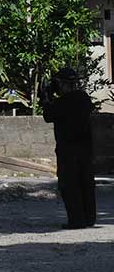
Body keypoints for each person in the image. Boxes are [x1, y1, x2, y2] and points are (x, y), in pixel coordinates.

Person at [42, 67, 96, 228]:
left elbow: (48, 116)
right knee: (86, 182)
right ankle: (89, 218)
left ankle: (77, 220)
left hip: (68, 148)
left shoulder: (64, 102)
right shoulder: (84, 98)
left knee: (69, 184)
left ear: (63, 84)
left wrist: (46, 98)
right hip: (85, 147)